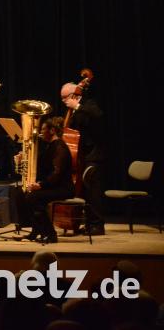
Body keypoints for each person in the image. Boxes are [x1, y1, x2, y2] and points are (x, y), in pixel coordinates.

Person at [14, 117, 73, 243]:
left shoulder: (60, 147)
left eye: (43, 129)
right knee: (21, 193)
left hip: (62, 188)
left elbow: (57, 174)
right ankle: (36, 230)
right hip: (52, 186)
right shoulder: (49, 146)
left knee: (33, 197)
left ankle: (50, 234)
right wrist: (22, 160)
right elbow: (40, 166)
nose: (40, 132)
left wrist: (40, 185)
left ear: (52, 130)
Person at [61, 80, 106, 235]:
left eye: (65, 98)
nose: (63, 101)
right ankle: (88, 223)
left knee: (94, 191)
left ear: (73, 95)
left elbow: (98, 115)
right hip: (82, 156)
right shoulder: (73, 110)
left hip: (94, 155)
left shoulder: (89, 103)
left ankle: (98, 225)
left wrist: (78, 107)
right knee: (86, 192)